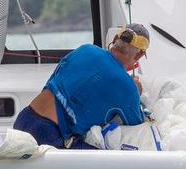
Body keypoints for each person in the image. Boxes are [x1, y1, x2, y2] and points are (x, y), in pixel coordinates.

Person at [13, 24, 149, 149]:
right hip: (48, 134)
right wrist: (135, 91)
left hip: (24, 119)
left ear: (114, 39)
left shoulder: (85, 49)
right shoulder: (127, 86)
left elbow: (54, 81)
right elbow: (136, 125)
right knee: (111, 168)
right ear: (140, 54)